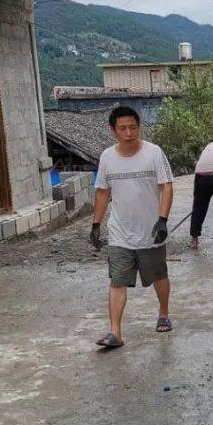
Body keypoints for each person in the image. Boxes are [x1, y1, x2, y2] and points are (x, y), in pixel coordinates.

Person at [89, 106, 174, 349]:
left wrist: (163, 220)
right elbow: (103, 192)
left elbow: (166, 186)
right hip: (119, 232)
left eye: (133, 127)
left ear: (139, 127)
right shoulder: (107, 157)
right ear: (113, 131)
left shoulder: (154, 153)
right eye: (123, 128)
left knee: (159, 275)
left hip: (150, 231)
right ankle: (115, 332)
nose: (129, 133)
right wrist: (96, 224)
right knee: (117, 280)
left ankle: (164, 313)